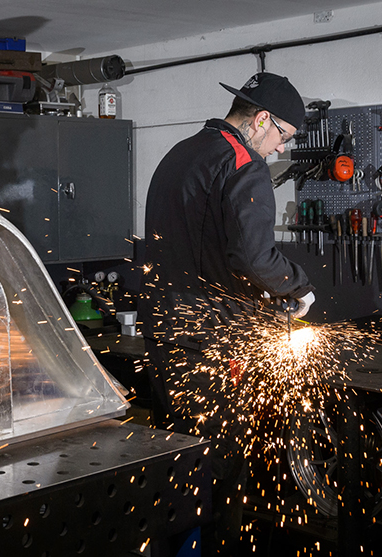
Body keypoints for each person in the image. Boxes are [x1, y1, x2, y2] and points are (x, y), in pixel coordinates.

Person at [138, 72, 315, 555]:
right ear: (262, 120)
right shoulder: (244, 164)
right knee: (222, 470)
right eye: (283, 137)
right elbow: (255, 257)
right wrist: (299, 287)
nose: (278, 150)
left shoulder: (179, 155)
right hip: (211, 346)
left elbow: (200, 249)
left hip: (165, 335)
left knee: (177, 459)